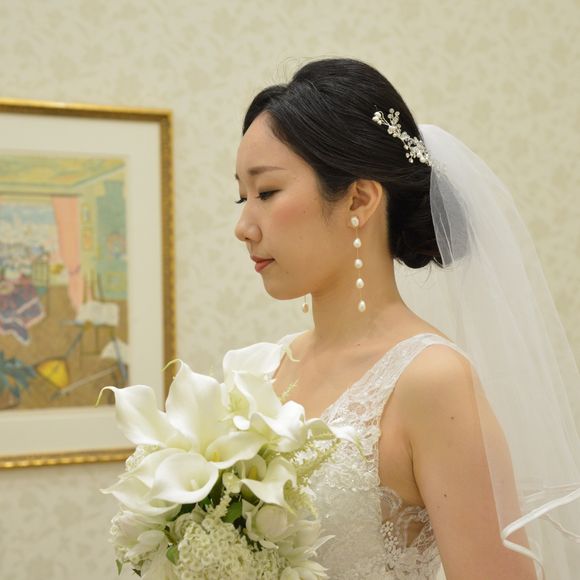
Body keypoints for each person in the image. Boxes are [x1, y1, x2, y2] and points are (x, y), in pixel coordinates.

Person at [233, 58, 580, 579]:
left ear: (359, 199)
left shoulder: (432, 381)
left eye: (266, 193)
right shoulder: (263, 370)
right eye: (241, 197)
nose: (243, 226)